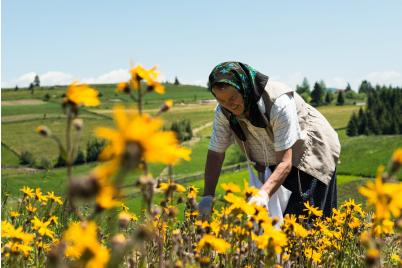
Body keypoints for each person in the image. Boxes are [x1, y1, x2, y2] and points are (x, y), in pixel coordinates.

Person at [198, 62, 340, 220]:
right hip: (275, 160)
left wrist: (262, 196)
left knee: (307, 222)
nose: (228, 105)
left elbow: (285, 162)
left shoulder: (278, 102)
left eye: (232, 98)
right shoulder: (223, 112)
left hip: (309, 154)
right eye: (221, 101)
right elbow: (215, 154)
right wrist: (208, 196)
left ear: (244, 88)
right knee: (275, 224)